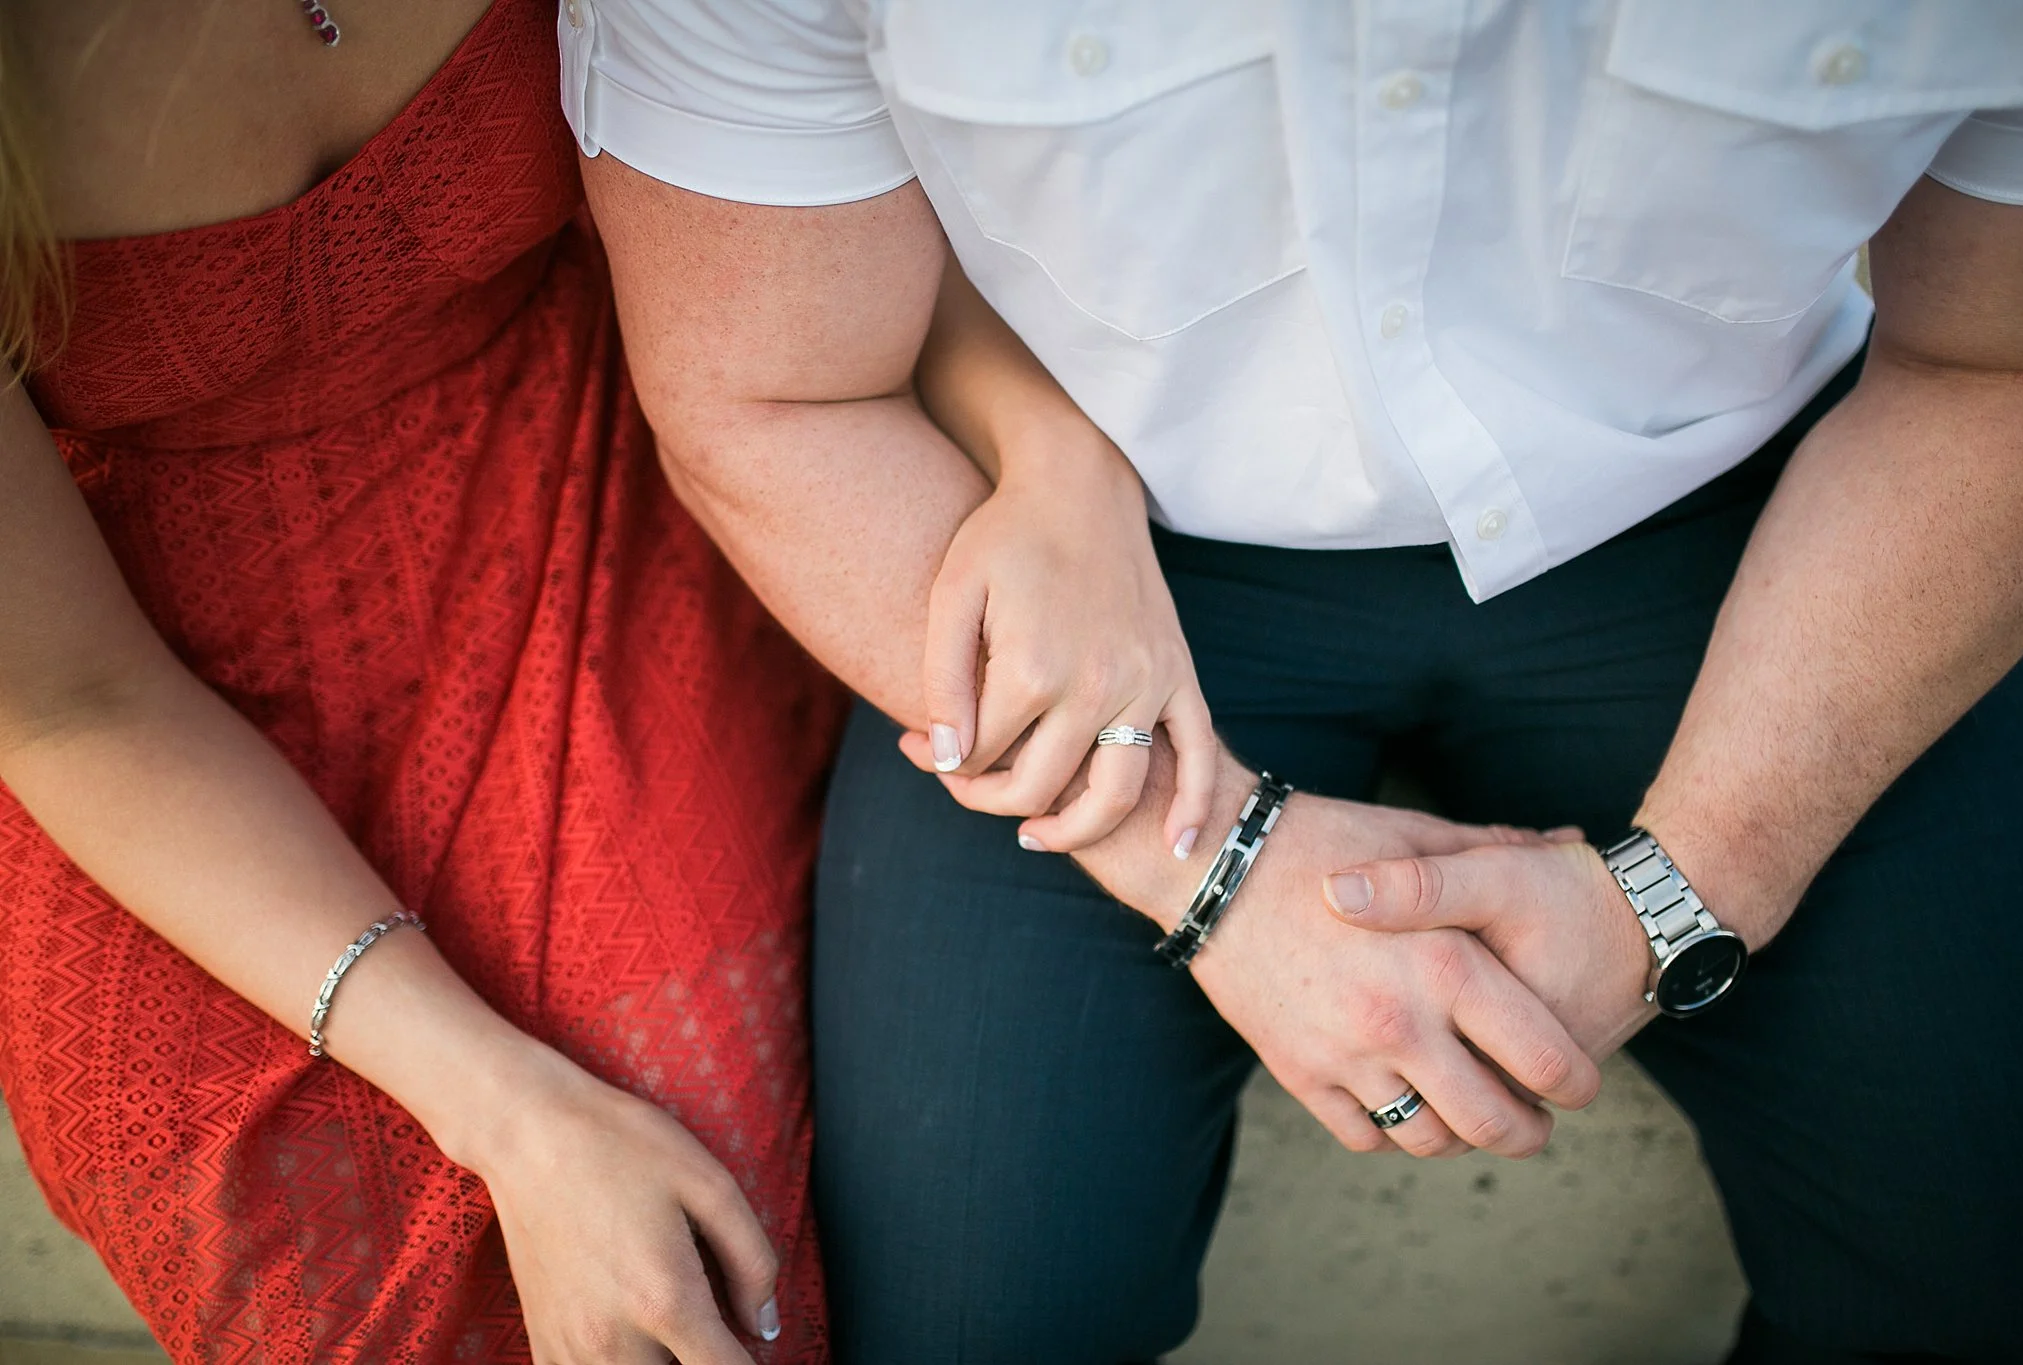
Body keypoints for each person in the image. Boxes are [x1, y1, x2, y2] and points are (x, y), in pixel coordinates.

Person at [563, 3, 2023, 1363]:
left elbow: (2006, 365)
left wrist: (1688, 886)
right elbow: (768, 390)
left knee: (1993, 1277)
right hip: (1098, 569)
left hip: (1740, 513)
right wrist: (1212, 872)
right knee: (973, 1326)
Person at [0, 0, 1184, 1358]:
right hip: (151, 724)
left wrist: (1056, 452)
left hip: (606, 501)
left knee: (708, 1200)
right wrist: (506, 1110)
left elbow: (807, 166)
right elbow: (62, 699)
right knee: (332, 1269)